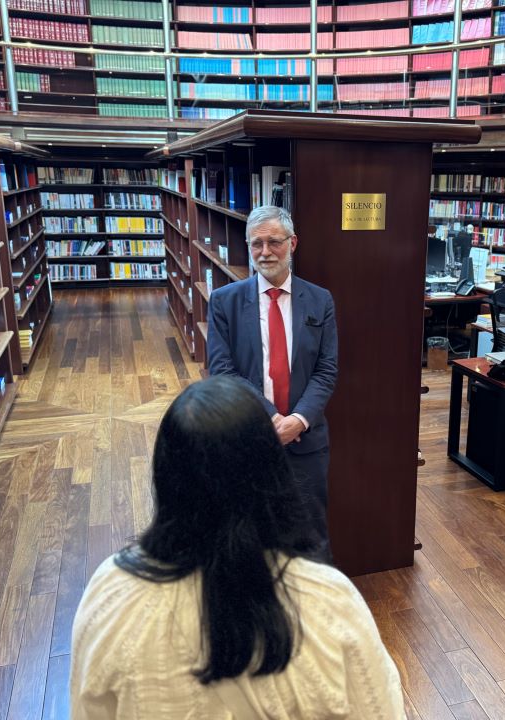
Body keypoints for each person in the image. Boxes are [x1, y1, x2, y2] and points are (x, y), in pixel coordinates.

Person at [70, 376, 404, 719]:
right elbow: (380, 708)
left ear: (165, 475)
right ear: (274, 474)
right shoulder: (329, 602)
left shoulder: (109, 595)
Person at [207, 205, 338, 551]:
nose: (265, 252)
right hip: (249, 437)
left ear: (292, 243)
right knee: (249, 535)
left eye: (274, 242)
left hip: (305, 441)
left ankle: (311, 605)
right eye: (256, 244)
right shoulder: (224, 302)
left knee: (310, 537)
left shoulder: (320, 300)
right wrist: (271, 417)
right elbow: (222, 371)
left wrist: (298, 420)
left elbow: (327, 369)